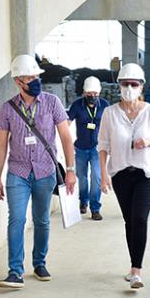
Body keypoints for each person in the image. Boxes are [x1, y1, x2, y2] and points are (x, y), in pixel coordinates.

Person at [0, 54, 77, 290]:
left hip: (45, 171)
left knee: (41, 220)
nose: (35, 81)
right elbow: (1, 145)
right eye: (29, 78)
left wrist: (70, 170)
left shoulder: (52, 103)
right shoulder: (8, 109)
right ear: (18, 81)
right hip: (17, 172)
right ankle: (15, 271)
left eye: (36, 76)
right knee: (16, 220)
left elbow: (66, 137)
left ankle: (39, 263)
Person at [98, 63, 150, 290]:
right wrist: (103, 175)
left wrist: (148, 142)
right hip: (120, 174)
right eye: (125, 83)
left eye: (133, 84)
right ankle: (132, 265)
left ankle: (137, 270)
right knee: (129, 221)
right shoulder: (109, 113)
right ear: (119, 85)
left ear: (141, 86)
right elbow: (103, 145)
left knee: (139, 218)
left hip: (146, 173)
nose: (129, 88)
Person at [67, 76, 110, 220]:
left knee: (96, 177)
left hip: (98, 149)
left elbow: (112, 125)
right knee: (83, 178)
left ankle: (95, 208)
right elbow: (66, 123)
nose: (92, 96)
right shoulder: (77, 105)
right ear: (84, 93)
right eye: (89, 94)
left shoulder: (104, 105)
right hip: (80, 148)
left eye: (95, 94)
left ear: (99, 93)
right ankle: (83, 201)